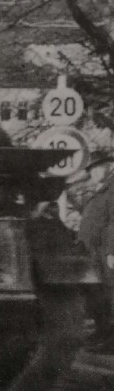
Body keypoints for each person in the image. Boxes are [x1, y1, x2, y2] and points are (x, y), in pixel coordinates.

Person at [78, 150, 114, 351]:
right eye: (90, 170)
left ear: (108, 166)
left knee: (110, 292)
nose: (92, 174)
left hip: (105, 252)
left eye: (95, 168)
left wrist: (112, 251)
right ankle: (103, 332)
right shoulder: (104, 189)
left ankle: (110, 339)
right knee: (100, 293)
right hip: (95, 251)